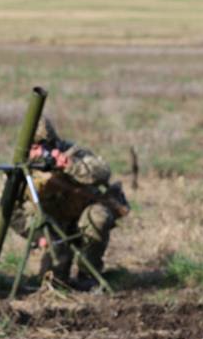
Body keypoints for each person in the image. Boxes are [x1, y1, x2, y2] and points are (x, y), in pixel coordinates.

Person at [10, 118, 127, 291]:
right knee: (53, 281)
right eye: (33, 147)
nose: (39, 152)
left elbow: (102, 171)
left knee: (98, 216)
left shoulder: (72, 152)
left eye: (43, 145)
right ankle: (58, 275)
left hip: (83, 219)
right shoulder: (23, 166)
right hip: (52, 227)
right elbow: (12, 212)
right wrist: (38, 236)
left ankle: (88, 275)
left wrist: (70, 165)